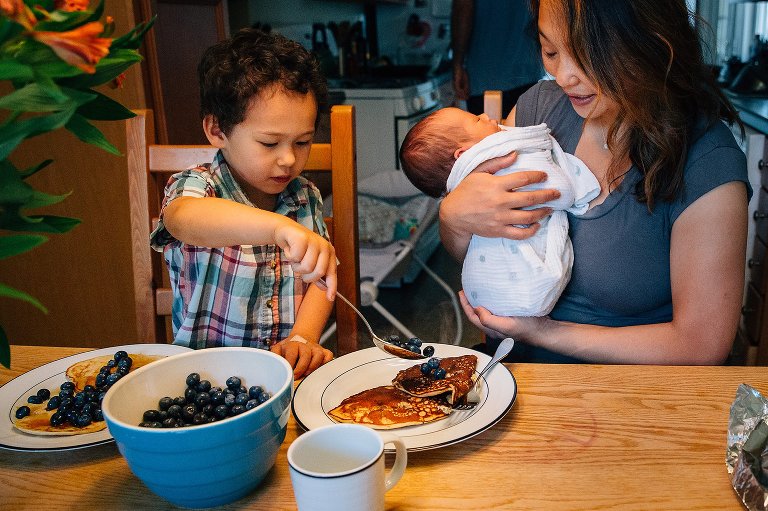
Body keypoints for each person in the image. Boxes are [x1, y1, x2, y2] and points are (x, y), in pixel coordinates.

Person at [439, 0, 751, 365]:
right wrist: (453, 219)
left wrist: (543, 332)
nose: (564, 76)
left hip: (632, 396)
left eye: (588, 55)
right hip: (516, 383)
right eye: (551, 51)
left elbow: (700, 346)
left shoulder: (705, 160)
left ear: (649, 41)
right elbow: (488, 251)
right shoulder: (536, 113)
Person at [150, 29, 336, 378]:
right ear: (217, 130)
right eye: (269, 143)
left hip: (283, 376)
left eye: (302, 142)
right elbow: (183, 219)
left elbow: (320, 280)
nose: (287, 159)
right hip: (201, 377)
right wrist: (279, 227)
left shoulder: (304, 196)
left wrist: (304, 336)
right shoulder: (198, 185)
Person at [399, 107, 599, 317]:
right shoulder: (508, 153)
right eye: (477, 120)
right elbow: (561, 191)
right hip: (514, 290)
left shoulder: (503, 146)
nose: (487, 116)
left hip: (497, 310)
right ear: (463, 153)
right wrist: (450, 215)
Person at [451, 0, 543, 115]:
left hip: (487, 74)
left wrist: (457, 64)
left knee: (489, 131)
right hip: (529, 69)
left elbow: (463, 9)